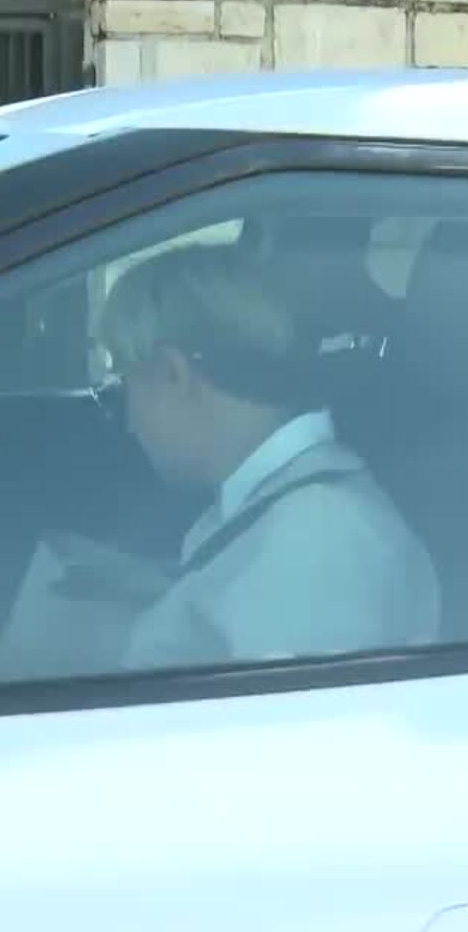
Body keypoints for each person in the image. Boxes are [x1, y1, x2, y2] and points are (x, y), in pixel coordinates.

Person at [95, 241, 441, 669]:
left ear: (172, 374)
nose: (129, 422)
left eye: (122, 386)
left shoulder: (319, 541)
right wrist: (161, 585)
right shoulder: (293, 510)